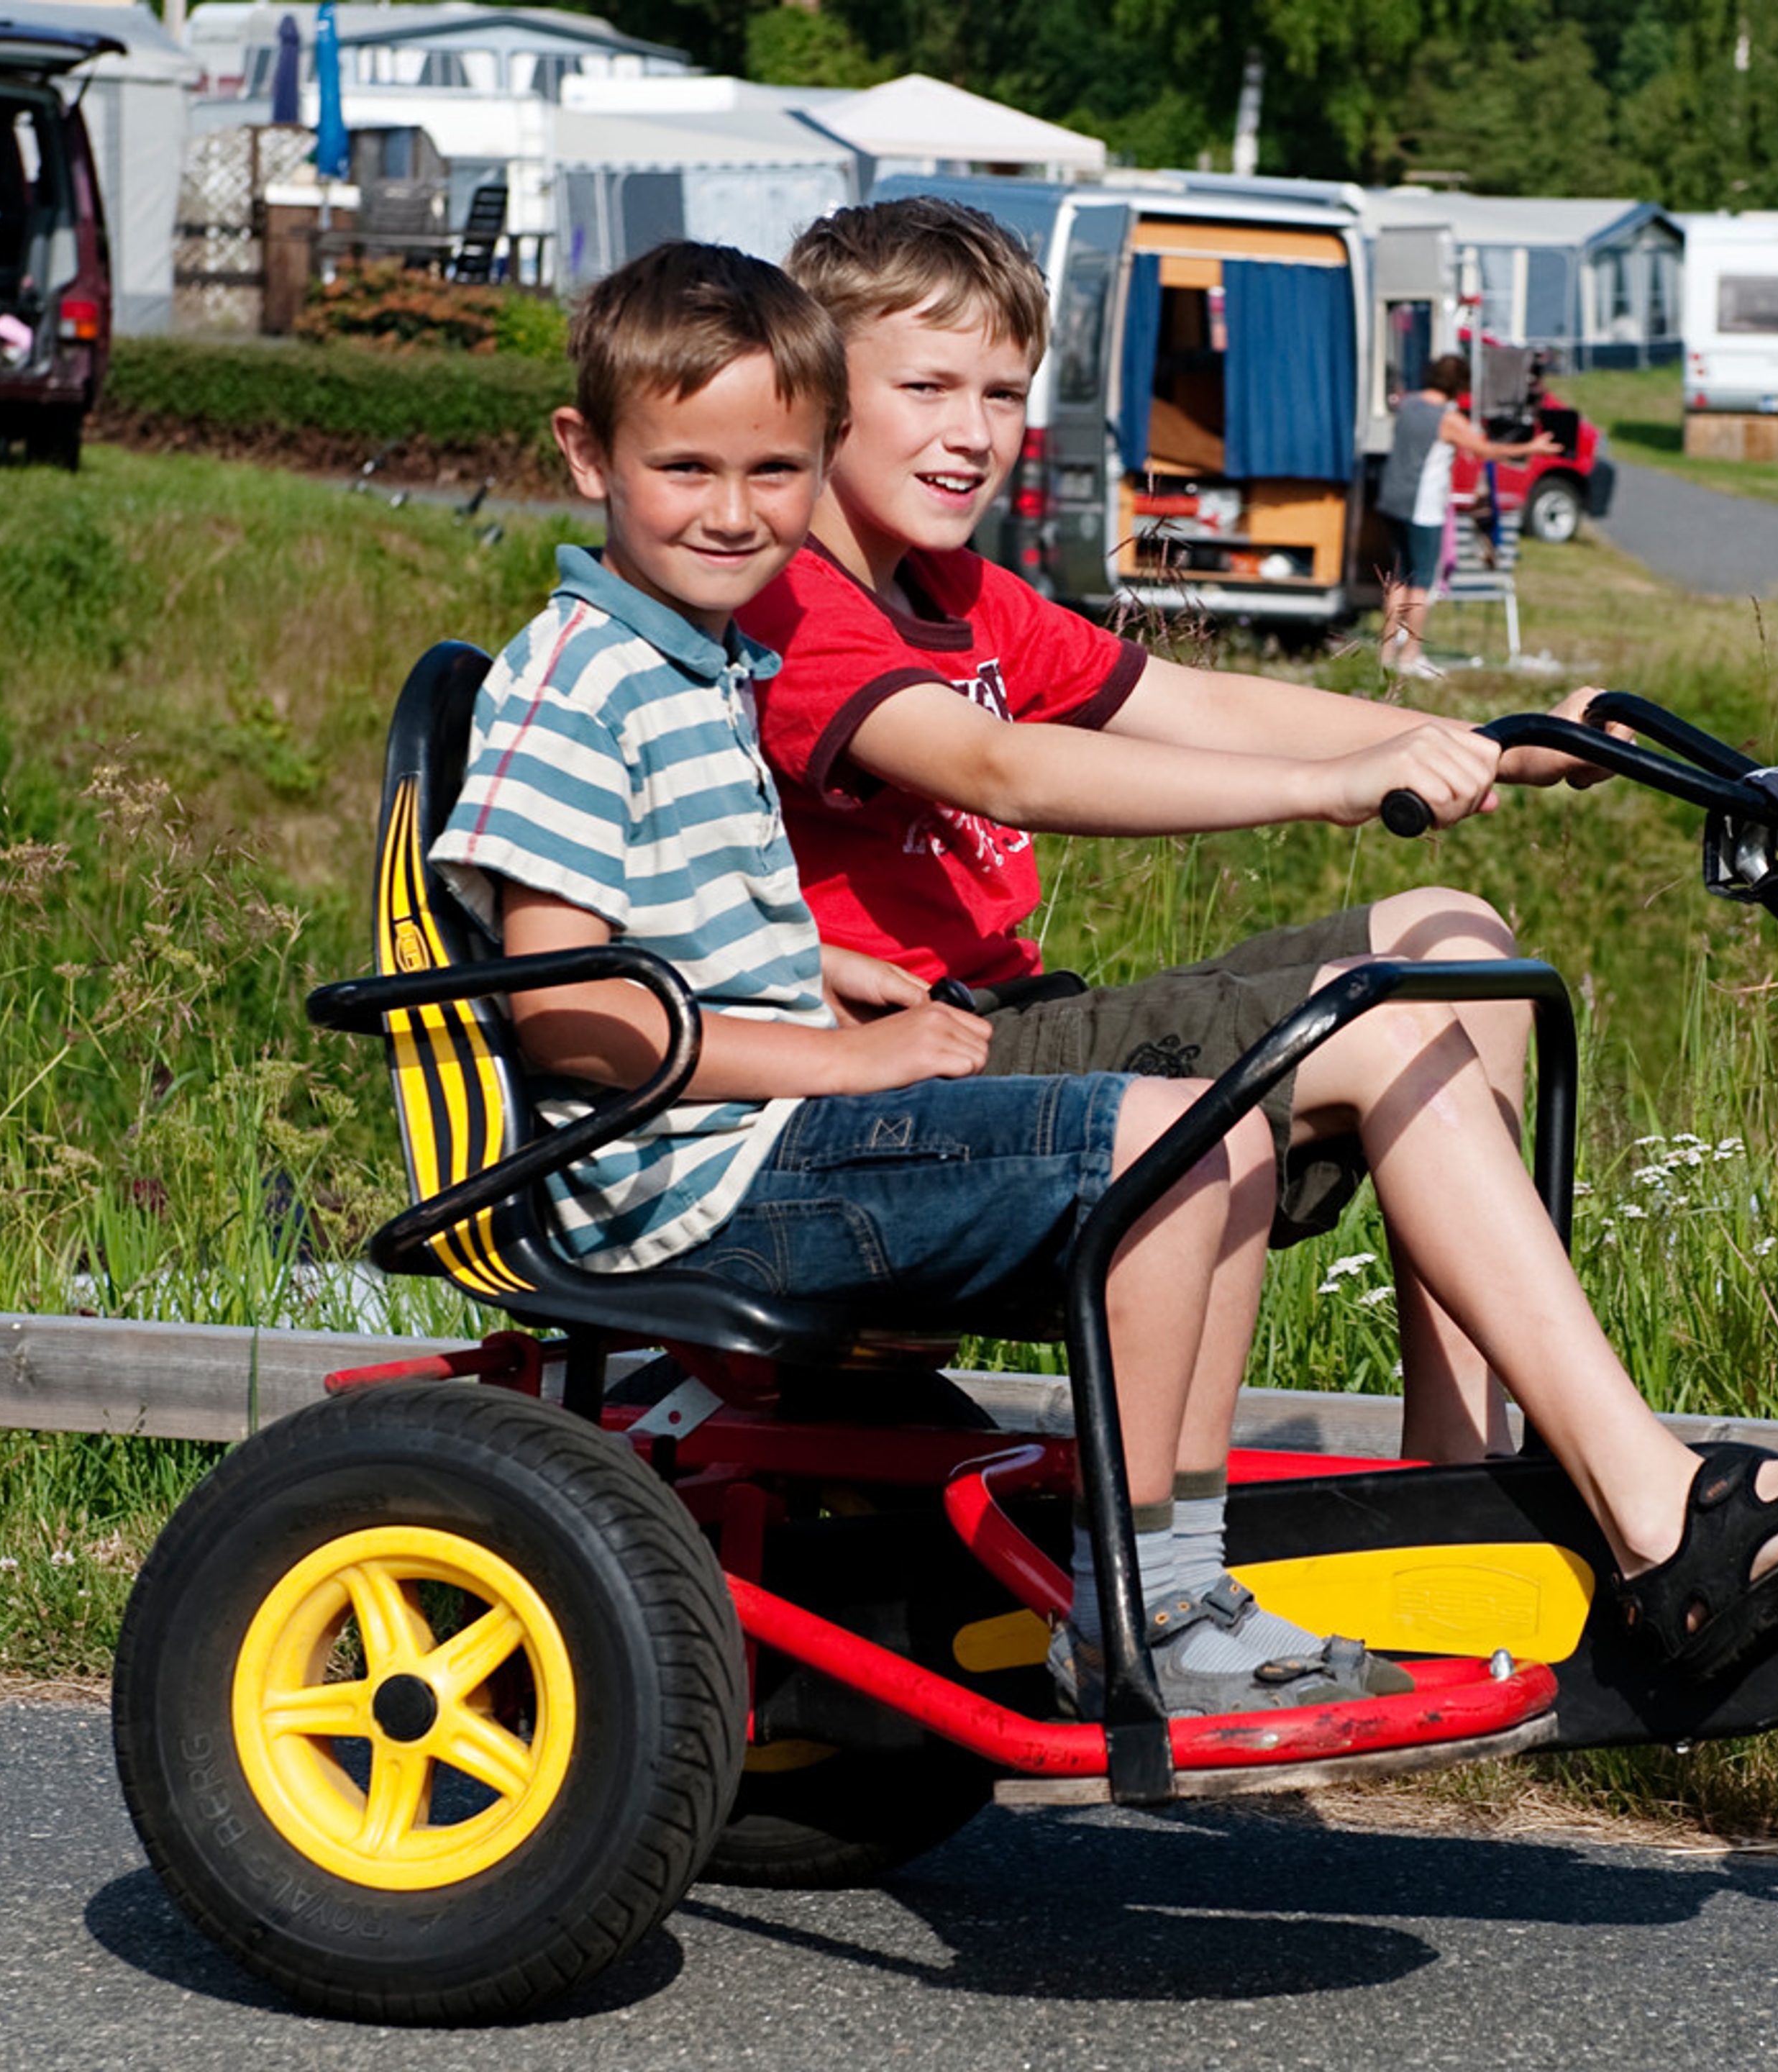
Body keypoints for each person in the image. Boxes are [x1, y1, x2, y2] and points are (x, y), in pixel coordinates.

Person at [739, 196, 1778, 1687]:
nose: (971, 433)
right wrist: (1327, 792)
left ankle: (1458, 1481)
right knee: (1379, 1015)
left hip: (1005, 1032)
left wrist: (1488, 745)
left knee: (1449, 937)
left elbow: (1208, 706)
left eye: (1002, 393)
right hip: (913, 1074)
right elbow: (999, 769)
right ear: (814, 396)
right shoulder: (793, 599)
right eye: (923, 389)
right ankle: (1657, 1518)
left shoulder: (962, 594)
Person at [427, 240, 1397, 1722]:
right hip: (687, 1180)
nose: (737, 514)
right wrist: (837, 1060)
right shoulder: (578, 682)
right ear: (586, 455)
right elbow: (568, 1007)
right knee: (1165, 1132)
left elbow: (647, 919)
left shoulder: (689, 663)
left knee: (1217, 1119)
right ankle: (1144, 1603)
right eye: (688, 468)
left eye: (774, 473)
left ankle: (1177, 1573)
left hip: (742, 1142)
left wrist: (813, 964)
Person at [1374, 351, 1557, 677]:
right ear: (1459, 386)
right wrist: (1533, 448)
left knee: (1398, 577)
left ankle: (1387, 652)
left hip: (1392, 501)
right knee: (1422, 583)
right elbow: (1487, 451)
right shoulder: (1448, 419)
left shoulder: (1409, 404)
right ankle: (1410, 656)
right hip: (1422, 507)